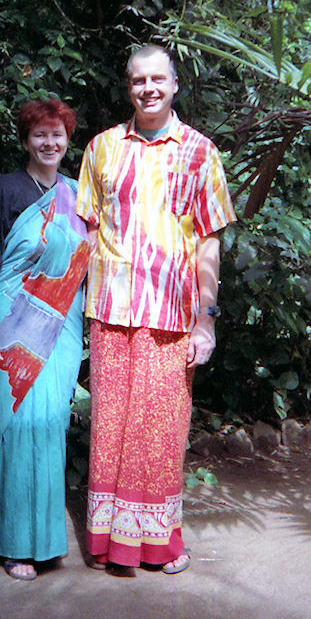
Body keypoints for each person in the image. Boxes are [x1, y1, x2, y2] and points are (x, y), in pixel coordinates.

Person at [76, 44, 236, 575]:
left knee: (161, 431)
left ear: (174, 84)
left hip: (171, 316)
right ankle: (107, 544)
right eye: (138, 80)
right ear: (128, 87)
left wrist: (206, 320)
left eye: (157, 79)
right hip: (110, 312)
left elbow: (209, 243)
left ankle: (158, 544)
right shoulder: (101, 148)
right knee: (111, 427)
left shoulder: (200, 152)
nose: (148, 88)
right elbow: (86, 233)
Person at [0, 98, 90, 581]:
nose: (49, 142)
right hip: (12, 323)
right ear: (25, 140)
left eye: (57, 134)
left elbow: (88, 264)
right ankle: (14, 544)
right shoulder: (4, 190)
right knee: (19, 426)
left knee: (51, 424)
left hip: (62, 326)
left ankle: (46, 543)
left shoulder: (78, 195)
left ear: (67, 140)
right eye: (40, 134)